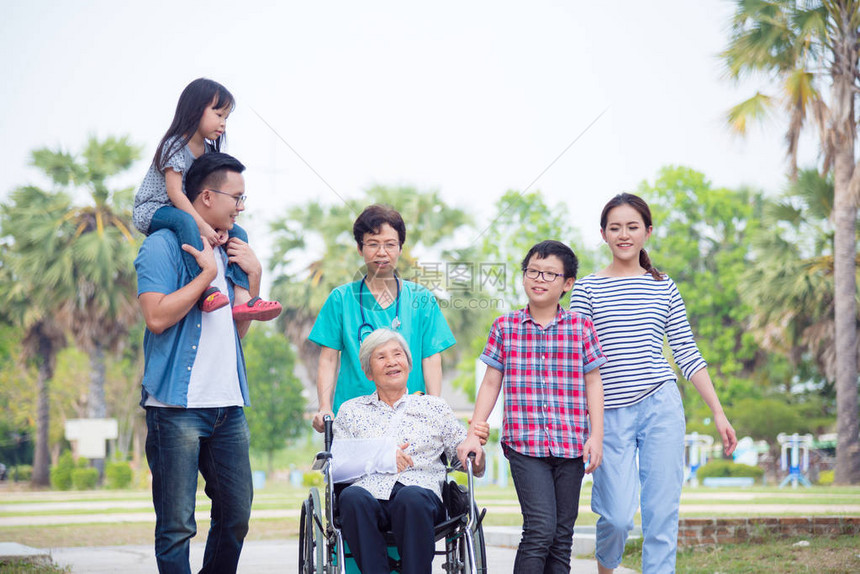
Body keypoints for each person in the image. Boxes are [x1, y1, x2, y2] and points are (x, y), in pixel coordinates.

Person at [569, 193, 738, 574]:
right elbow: (574, 358)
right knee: (615, 517)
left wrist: (718, 413)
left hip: (660, 405)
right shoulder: (587, 289)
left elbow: (688, 354)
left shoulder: (664, 287)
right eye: (615, 228)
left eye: (632, 227)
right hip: (608, 414)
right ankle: (606, 566)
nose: (624, 235)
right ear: (603, 234)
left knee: (662, 514)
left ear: (648, 232)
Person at [135, 152, 264, 574]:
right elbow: (156, 317)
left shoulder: (234, 247)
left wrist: (254, 278)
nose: (241, 207)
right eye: (237, 197)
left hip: (228, 406)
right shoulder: (162, 245)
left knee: (236, 516)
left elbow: (236, 334)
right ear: (206, 196)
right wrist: (204, 277)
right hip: (175, 409)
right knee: (176, 527)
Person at [457, 240, 606, 574]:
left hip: (570, 445)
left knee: (562, 536)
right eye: (533, 272)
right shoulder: (505, 327)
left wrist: (596, 436)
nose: (539, 279)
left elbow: (593, 382)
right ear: (524, 277)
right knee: (540, 529)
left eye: (550, 274)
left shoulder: (581, 328)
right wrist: (474, 432)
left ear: (567, 284)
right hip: (524, 445)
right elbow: (491, 382)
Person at [332, 328, 485, 574]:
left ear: (408, 363)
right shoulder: (351, 411)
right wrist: (380, 457)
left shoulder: (434, 407)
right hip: (368, 496)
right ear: (368, 371)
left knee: (410, 497)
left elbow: (467, 462)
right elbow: (336, 467)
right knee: (351, 498)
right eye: (381, 357)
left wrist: (474, 453)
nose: (391, 362)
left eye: (397, 354)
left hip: (421, 498)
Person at [133, 77, 281, 321]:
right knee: (186, 222)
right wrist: (203, 226)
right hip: (155, 209)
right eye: (218, 114)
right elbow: (175, 193)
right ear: (195, 109)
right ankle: (204, 289)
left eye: (226, 118)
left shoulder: (209, 151)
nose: (222, 123)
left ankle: (243, 297)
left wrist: (221, 227)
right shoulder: (175, 145)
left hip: (184, 211)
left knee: (239, 235)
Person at [309, 204, 456, 431]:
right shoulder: (341, 299)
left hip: (411, 417)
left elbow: (431, 357)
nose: (382, 252)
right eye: (373, 244)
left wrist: (434, 407)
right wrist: (324, 407)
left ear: (400, 248)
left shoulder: (422, 299)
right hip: (354, 418)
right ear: (360, 248)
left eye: (390, 245)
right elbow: (328, 359)